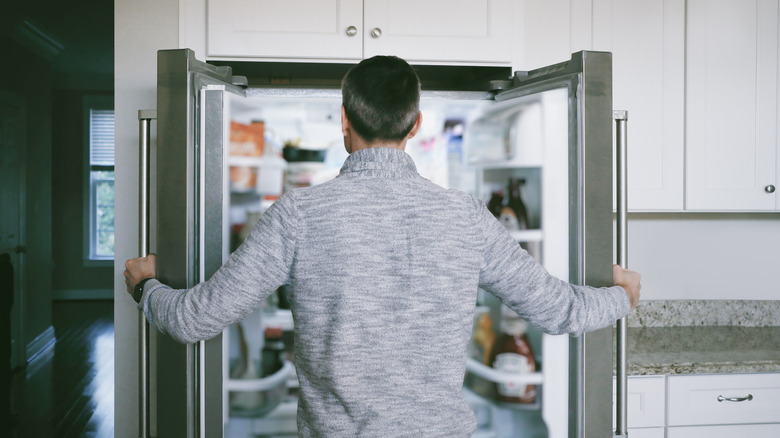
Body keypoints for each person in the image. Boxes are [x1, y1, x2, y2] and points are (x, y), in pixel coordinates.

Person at [125, 55, 641, 438]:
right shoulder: (466, 216)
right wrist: (622, 295)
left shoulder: (298, 215)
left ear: (344, 121)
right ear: (414, 126)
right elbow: (560, 310)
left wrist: (145, 285)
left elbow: (193, 319)